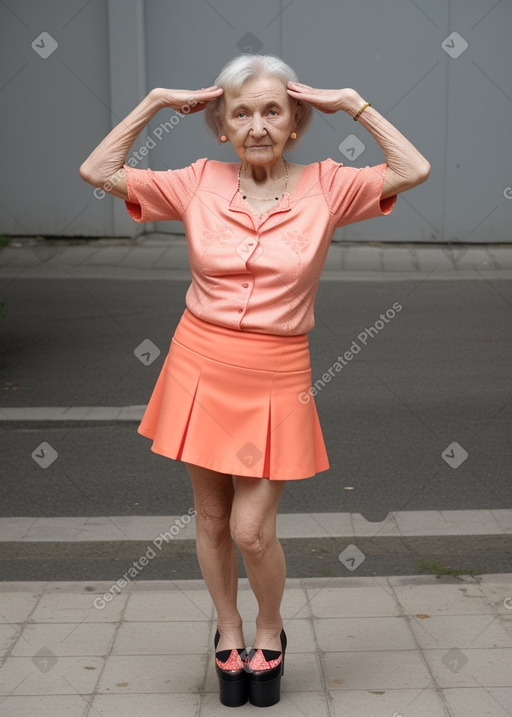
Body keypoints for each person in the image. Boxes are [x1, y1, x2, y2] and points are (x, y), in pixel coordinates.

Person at [80, 53, 430, 708]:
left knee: (251, 529)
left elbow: (414, 169)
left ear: (295, 120)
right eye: (242, 111)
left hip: (274, 373)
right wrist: (154, 101)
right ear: (222, 126)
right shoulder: (195, 181)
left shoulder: (329, 185)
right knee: (212, 517)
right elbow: (98, 172)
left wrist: (353, 102)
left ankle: (270, 626)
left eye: (272, 109)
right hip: (198, 363)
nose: (258, 123)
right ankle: (230, 629)